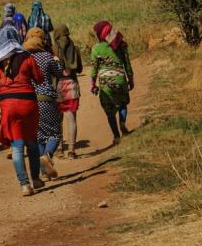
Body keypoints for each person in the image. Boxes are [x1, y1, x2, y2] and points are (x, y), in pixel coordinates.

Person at [0, 26, 46, 197]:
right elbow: (40, 79)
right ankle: (36, 179)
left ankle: (25, 185)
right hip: (28, 104)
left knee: (17, 147)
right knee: (32, 143)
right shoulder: (27, 57)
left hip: (9, 106)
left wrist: (2, 87)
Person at [24, 28, 62, 178]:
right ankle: (47, 156)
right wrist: (56, 60)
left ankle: (44, 173)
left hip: (30, 101)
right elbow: (60, 73)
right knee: (55, 134)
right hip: (46, 99)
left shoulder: (24, 57)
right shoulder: (46, 56)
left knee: (39, 136)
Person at [90, 21, 133, 145]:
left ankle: (116, 137)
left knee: (109, 111)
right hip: (120, 79)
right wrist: (131, 79)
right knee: (123, 103)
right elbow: (127, 65)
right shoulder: (120, 45)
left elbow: (94, 69)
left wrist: (93, 84)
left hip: (105, 83)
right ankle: (123, 124)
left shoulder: (96, 48)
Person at [53, 25, 83, 159]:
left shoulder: (53, 50)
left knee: (58, 120)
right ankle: (71, 150)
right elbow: (80, 69)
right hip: (71, 85)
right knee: (72, 119)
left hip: (57, 86)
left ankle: (59, 148)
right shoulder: (75, 49)